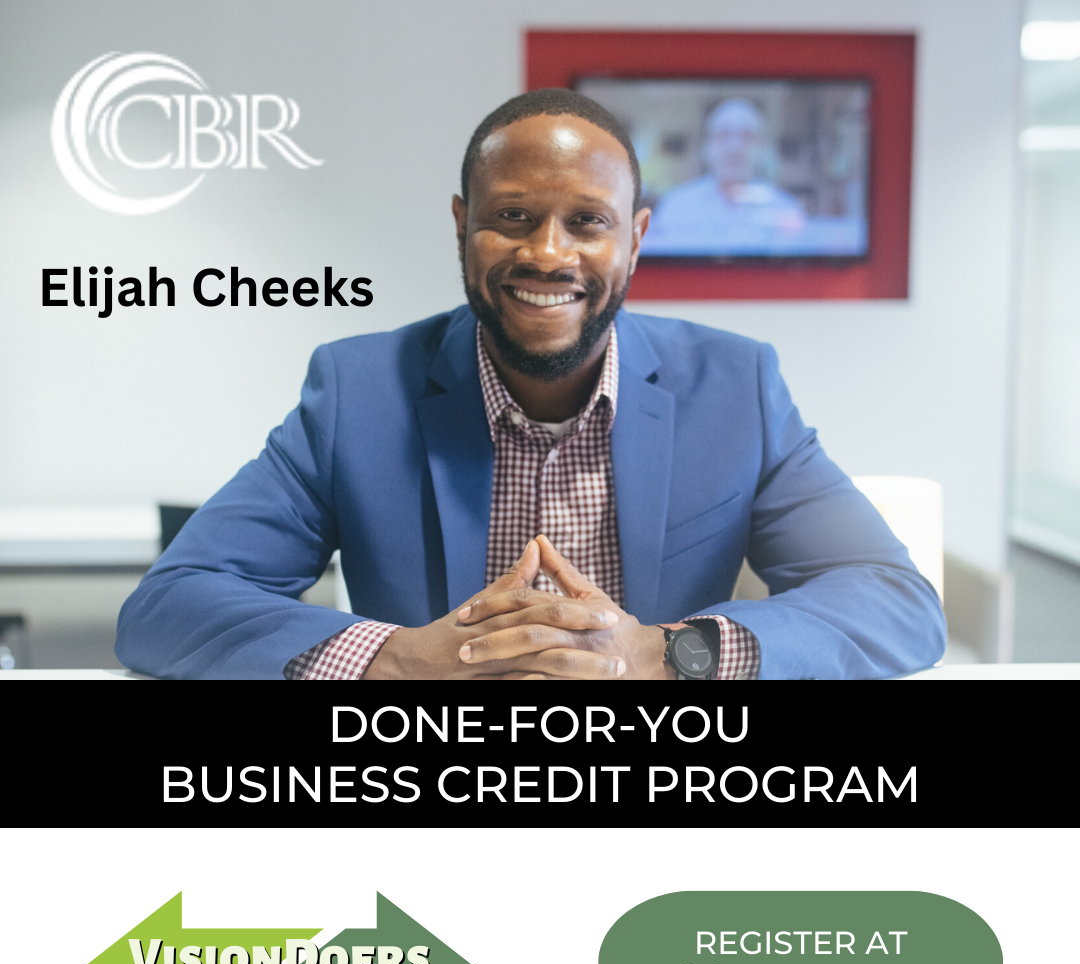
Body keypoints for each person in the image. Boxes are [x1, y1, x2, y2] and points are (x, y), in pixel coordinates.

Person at [115, 88, 945, 680]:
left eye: (588, 221)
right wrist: (396, 662)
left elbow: (896, 603)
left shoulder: (736, 388)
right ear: (461, 223)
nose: (549, 253)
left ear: (635, 237)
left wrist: (665, 656)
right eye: (513, 216)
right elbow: (172, 606)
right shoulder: (357, 391)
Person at [643, 98, 807, 255]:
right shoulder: (675, 206)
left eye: (747, 136)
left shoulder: (785, 209)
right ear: (706, 147)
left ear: (762, 149)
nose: (734, 148)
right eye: (723, 135)